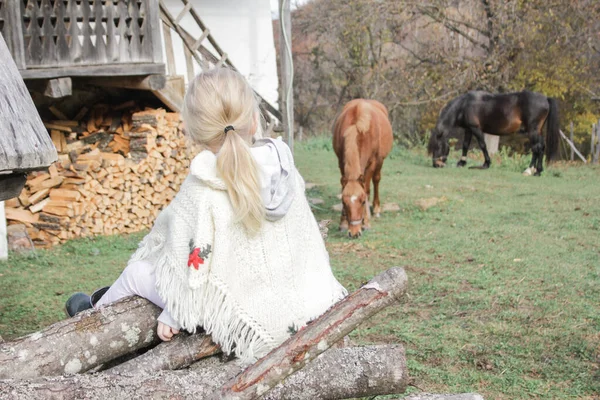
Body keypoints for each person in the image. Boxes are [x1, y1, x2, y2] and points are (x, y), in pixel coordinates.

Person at [65, 68, 347, 365]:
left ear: (194, 132)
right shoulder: (283, 166)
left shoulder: (202, 183)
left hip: (229, 308)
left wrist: (176, 309)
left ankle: (92, 316)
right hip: (297, 301)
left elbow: (193, 262)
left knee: (137, 274)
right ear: (253, 121)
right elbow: (301, 243)